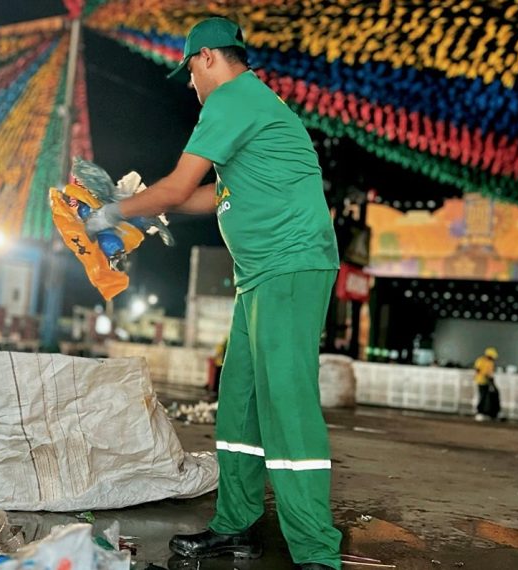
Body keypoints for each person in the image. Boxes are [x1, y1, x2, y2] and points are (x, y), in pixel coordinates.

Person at [85, 17, 342, 570]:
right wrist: (147, 205)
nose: (190, 86)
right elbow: (204, 197)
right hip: (259, 276)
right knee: (241, 404)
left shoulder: (231, 100)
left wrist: (111, 211)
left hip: (291, 265)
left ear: (206, 59)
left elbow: (178, 186)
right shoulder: (246, 110)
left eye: (190, 73)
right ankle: (237, 525)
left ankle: (317, 552)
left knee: (285, 403)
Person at [473, 347, 500, 421]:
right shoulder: (480, 360)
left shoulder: (491, 363)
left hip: (488, 382)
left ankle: (487, 413)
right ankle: (479, 412)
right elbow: (477, 370)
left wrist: (491, 380)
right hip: (481, 381)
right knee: (482, 397)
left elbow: (490, 372)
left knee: (488, 398)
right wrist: (484, 375)